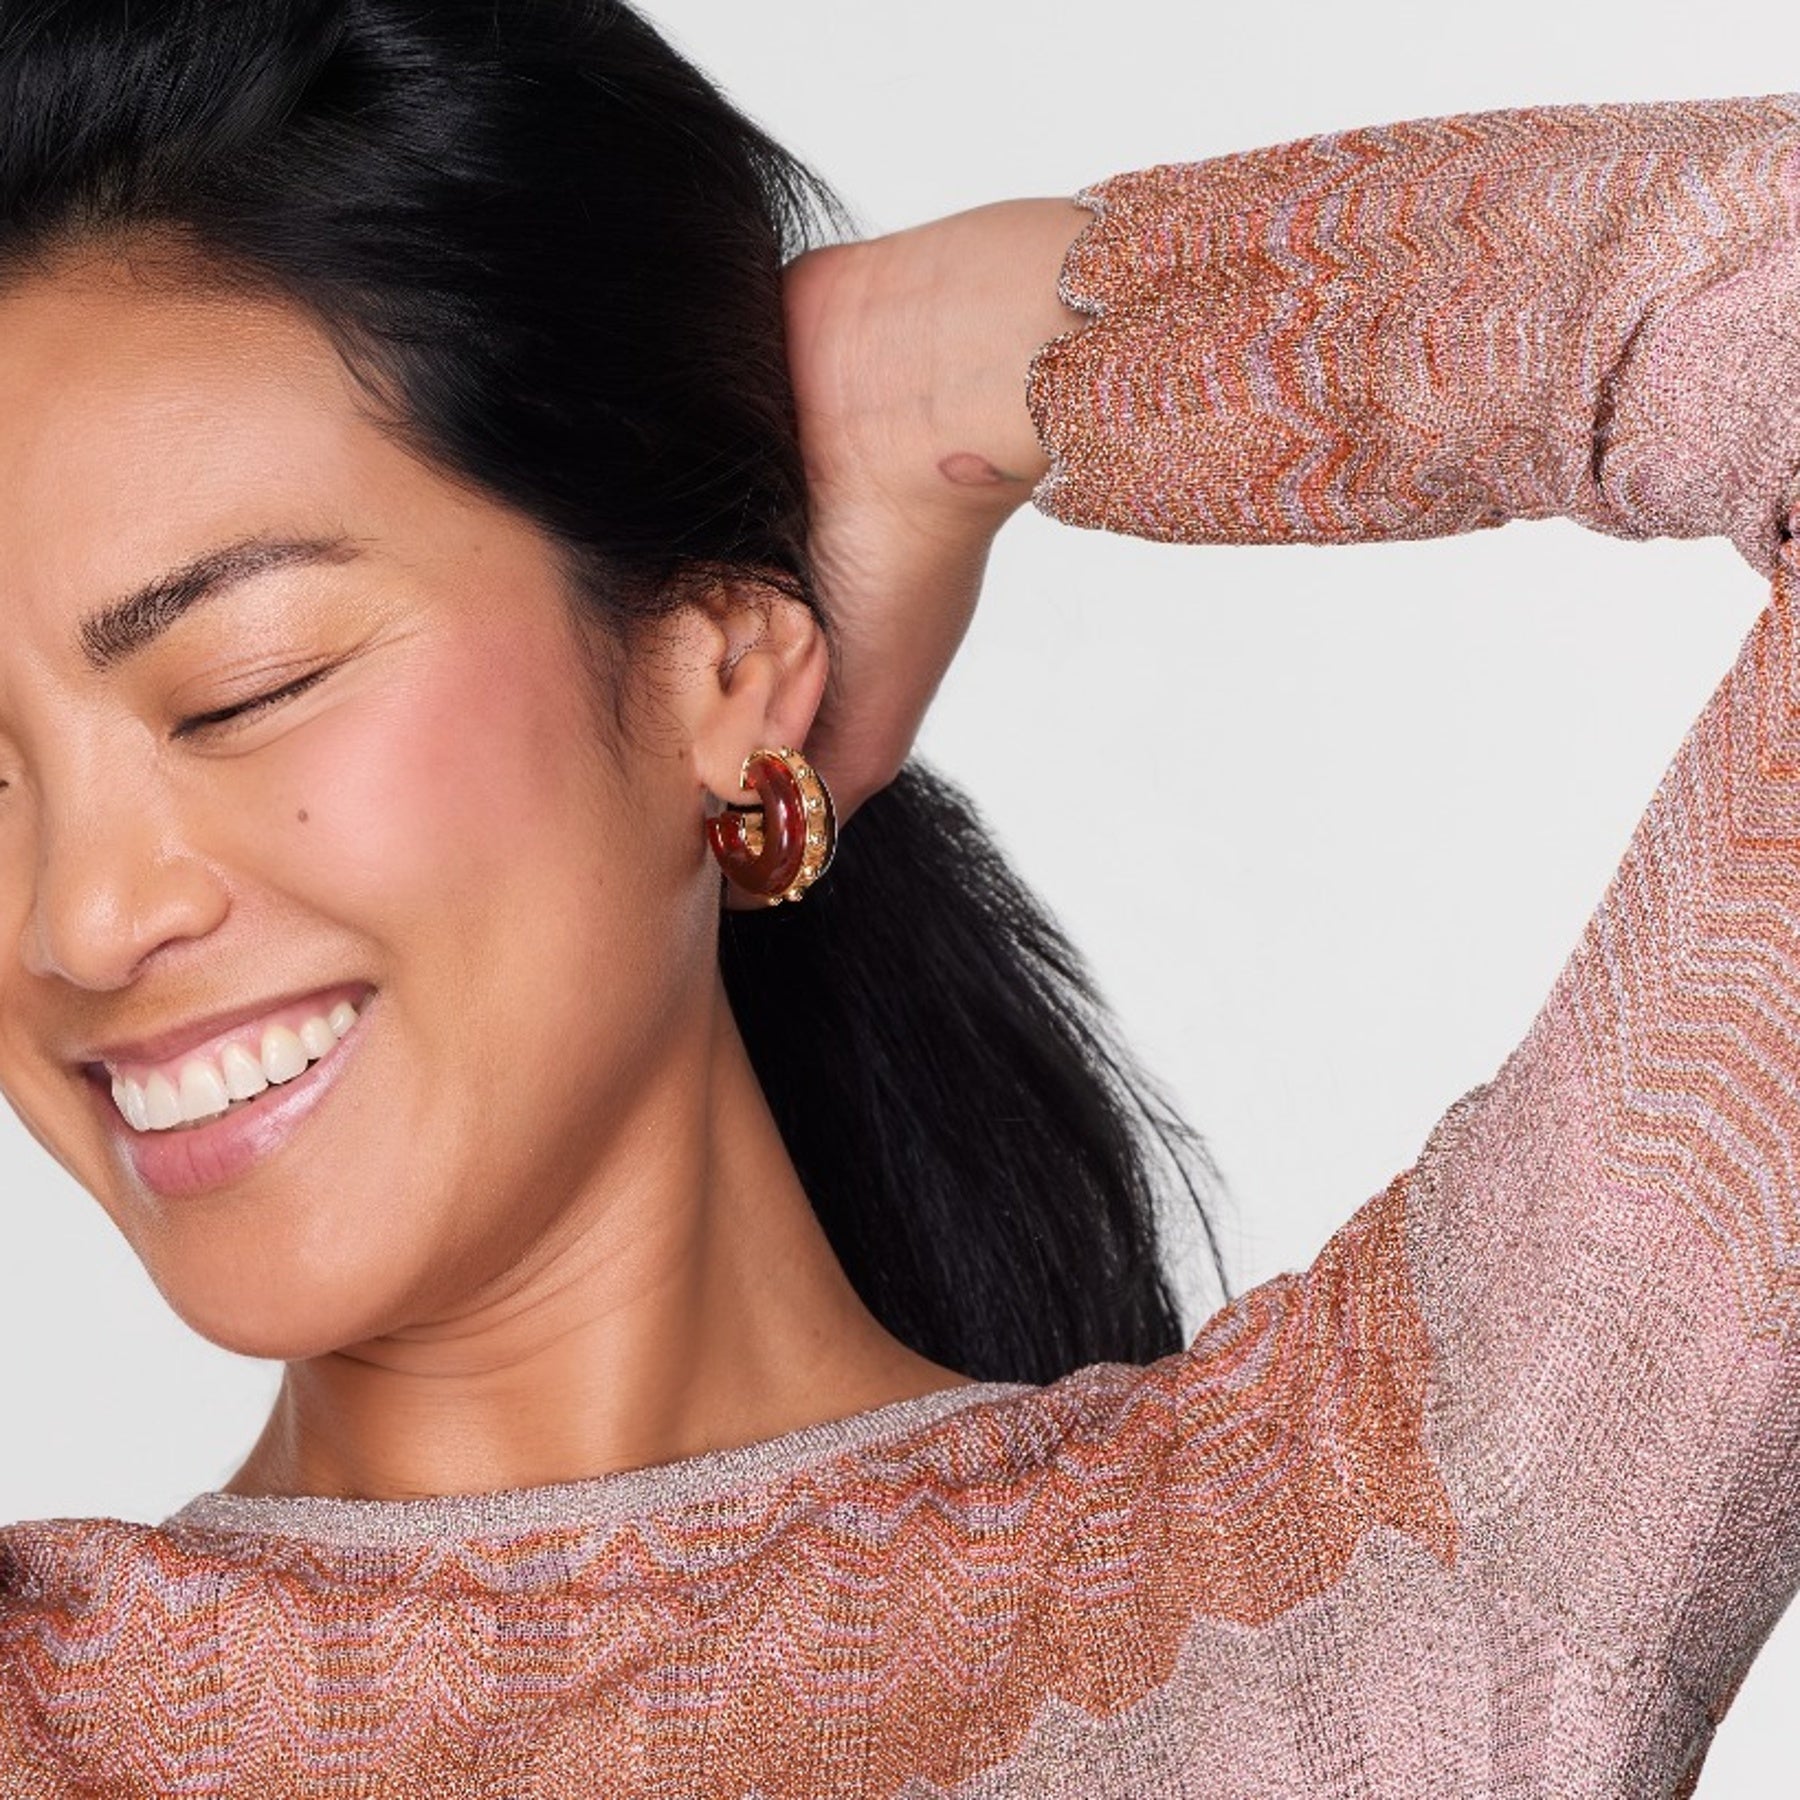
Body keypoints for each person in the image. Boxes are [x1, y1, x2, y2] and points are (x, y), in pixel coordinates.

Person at [0, 1, 1796, 1793]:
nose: (78, 921)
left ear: (722, 669)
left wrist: (971, 363)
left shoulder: (1380, 1574)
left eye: (241, 688)